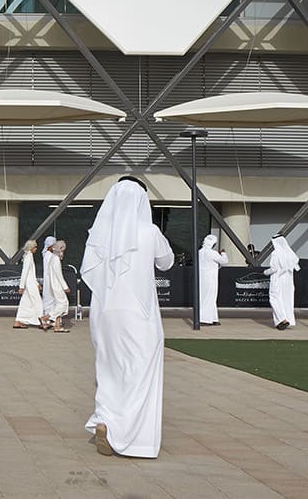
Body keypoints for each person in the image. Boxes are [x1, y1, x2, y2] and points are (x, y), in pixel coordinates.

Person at [82, 178, 175, 459]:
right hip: (138, 313)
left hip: (104, 311)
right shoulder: (149, 231)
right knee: (139, 371)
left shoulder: (100, 232)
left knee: (108, 369)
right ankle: (130, 437)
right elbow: (167, 262)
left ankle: (106, 421)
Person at [266, 235, 298, 330]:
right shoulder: (290, 253)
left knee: (274, 299)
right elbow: (296, 266)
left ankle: (282, 320)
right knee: (286, 300)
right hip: (288, 281)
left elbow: (274, 268)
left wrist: (266, 272)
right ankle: (288, 319)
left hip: (277, 279)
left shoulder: (276, 253)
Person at [198, 232, 228, 326]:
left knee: (206, 298)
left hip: (202, 278)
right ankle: (204, 319)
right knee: (209, 298)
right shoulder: (212, 253)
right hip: (210, 279)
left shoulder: (200, 252)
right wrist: (223, 253)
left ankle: (213, 318)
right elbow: (225, 261)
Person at [13, 238, 43, 330]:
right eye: (35, 247)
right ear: (31, 247)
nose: (36, 248)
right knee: (38, 301)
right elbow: (25, 272)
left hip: (30, 283)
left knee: (25, 302)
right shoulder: (29, 256)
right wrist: (21, 286)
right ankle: (42, 321)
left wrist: (37, 283)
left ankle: (18, 321)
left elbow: (31, 273)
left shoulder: (28, 256)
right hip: (30, 284)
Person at [43, 237, 70, 332]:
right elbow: (59, 275)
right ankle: (46, 317)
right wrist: (65, 287)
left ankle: (57, 326)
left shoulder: (53, 258)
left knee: (59, 304)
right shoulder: (55, 259)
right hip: (57, 285)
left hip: (54, 284)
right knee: (63, 304)